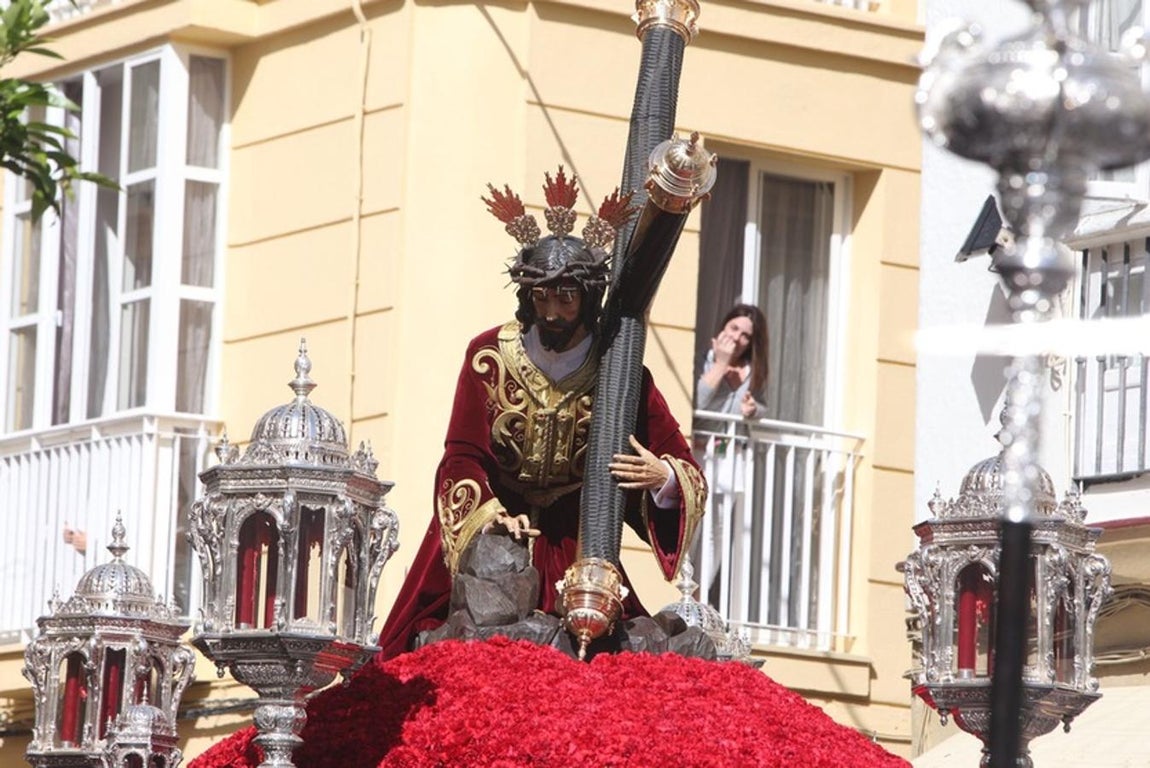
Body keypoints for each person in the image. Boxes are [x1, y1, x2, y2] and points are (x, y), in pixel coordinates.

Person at [376, 168, 706, 659]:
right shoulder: (488, 355)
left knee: (609, 657)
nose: (552, 312)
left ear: (588, 297)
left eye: (566, 299)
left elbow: (682, 464)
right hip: (497, 524)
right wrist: (488, 518)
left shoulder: (618, 369)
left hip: (577, 537)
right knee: (428, 641)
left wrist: (663, 477)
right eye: (543, 297)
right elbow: (462, 455)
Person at [695, 303, 768, 420]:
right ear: (724, 327)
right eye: (734, 328)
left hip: (737, 437)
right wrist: (721, 364)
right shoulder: (701, 362)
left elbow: (762, 406)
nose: (736, 338)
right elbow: (696, 402)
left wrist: (754, 410)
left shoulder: (752, 371)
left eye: (745, 336)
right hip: (703, 438)